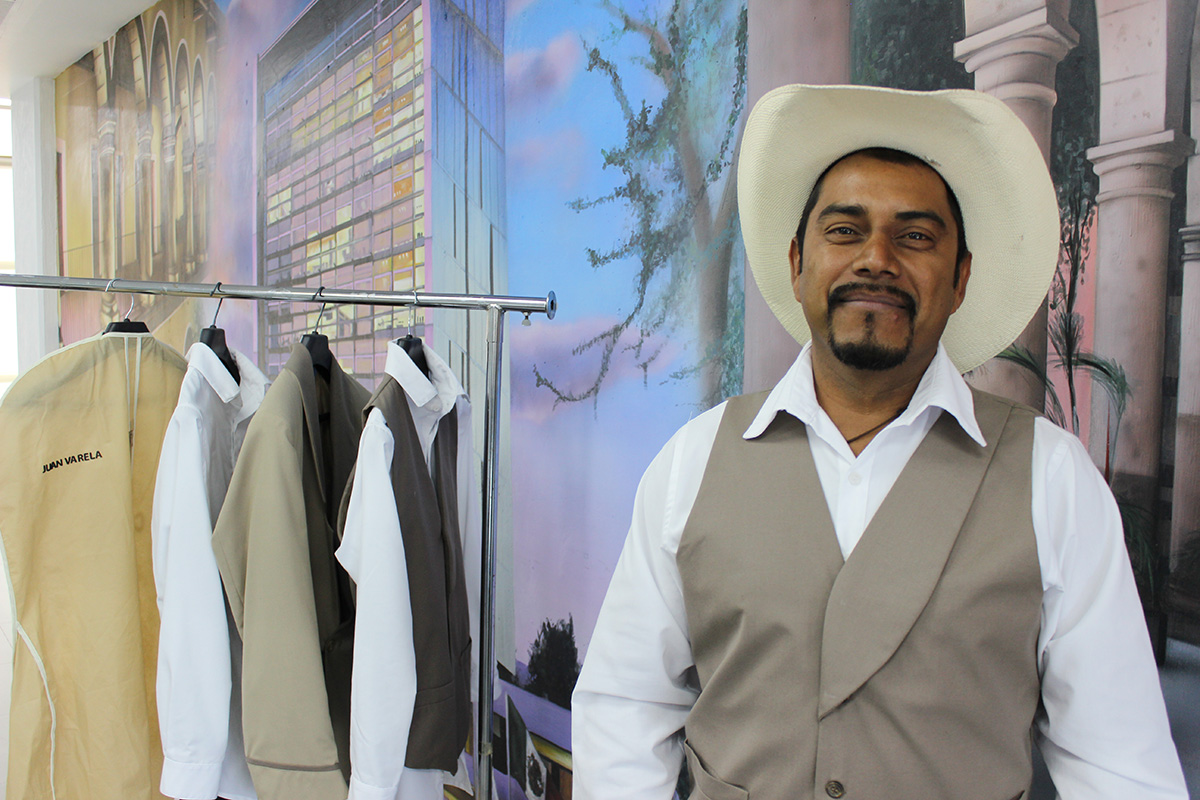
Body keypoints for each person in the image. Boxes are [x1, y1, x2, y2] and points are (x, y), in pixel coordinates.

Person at [571, 84, 1188, 800]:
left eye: (916, 236)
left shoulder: (1052, 478)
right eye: (844, 230)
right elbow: (627, 706)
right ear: (797, 262)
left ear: (959, 279)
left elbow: (1120, 767)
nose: (877, 258)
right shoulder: (693, 461)